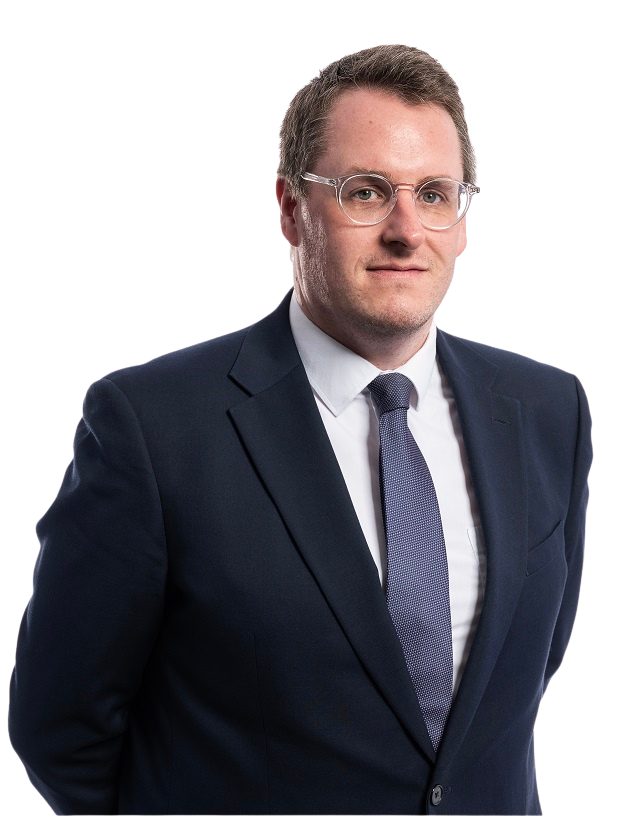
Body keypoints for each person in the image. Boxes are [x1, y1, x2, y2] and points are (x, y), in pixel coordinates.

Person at [9, 43, 591, 815]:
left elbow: (523, 679)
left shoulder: (548, 408)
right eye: (365, 191)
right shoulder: (151, 427)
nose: (406, 230)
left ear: (462, 220)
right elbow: (58, 726)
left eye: (434, 194)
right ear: (289, 208)